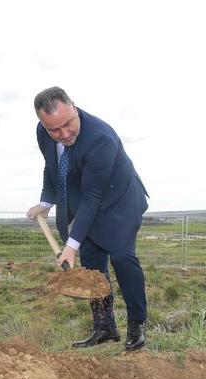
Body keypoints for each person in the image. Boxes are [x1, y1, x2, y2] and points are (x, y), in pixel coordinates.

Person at [27, 87, 149, 351]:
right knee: (93, 265)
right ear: (43, 124)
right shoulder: (43, 132)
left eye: (68, 124)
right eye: (54, 130)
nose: (63, 134)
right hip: (86, 203)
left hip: (119, 202)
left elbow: (95, 196)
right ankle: (104, 327)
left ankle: (137, 325)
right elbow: (52, 166)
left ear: (74, 106)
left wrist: (71, 246)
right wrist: (46, 202)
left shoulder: (100, 138)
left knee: (122, 258)